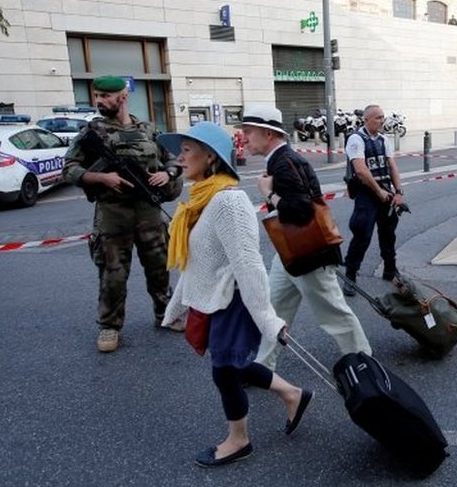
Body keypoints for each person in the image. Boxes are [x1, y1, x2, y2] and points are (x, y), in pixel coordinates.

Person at [157, 122, 313, 468]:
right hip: (217, 298)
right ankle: (293, 394)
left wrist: (269, 319)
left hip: (236, 300)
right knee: (236, 366)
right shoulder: (202, 200)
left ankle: (238, 440)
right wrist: (177, 307)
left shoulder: (228, 201)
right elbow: (197, 263)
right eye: (179, 150)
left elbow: (249, 263)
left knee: (225, 371)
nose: (179, 157)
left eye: (186, 150)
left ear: (210, 155)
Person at [236, 105, 372, 370]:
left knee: (334, 314)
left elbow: (301, 211)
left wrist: (268, 194)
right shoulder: (280, 160)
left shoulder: (285, 163)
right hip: (291, 252)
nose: (244, 137)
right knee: (273, 310)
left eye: (249, 132)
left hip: (309, 254)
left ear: (267, 133)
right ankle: (262, 368)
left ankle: (365, 363)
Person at [62, 75, 183, 353]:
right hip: (113, 215)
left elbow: (173, 159)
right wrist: (101, 179)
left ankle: (166, 313)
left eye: (106, 96)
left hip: (149, 213)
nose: (100, 101)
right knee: (113, 274)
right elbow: (69, 169)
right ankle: (109, 326)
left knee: (159, 267)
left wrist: (168, 173)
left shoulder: (148, 129)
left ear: (123, 97)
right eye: (97, 96)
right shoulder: (91, 134)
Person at [342, 104, 407, 294]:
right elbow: (361, 170)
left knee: (388, 234)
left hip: (385, 190)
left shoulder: (383, 140)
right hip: (367, 193)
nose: (382, 120)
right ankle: (350, 275)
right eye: (378, 117)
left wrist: (399, 193)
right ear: (367, 119)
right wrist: (379, 192)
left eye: (382, 117)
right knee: (362, 234)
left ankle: (390, 270)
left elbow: (392, 166)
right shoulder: (356, 139)